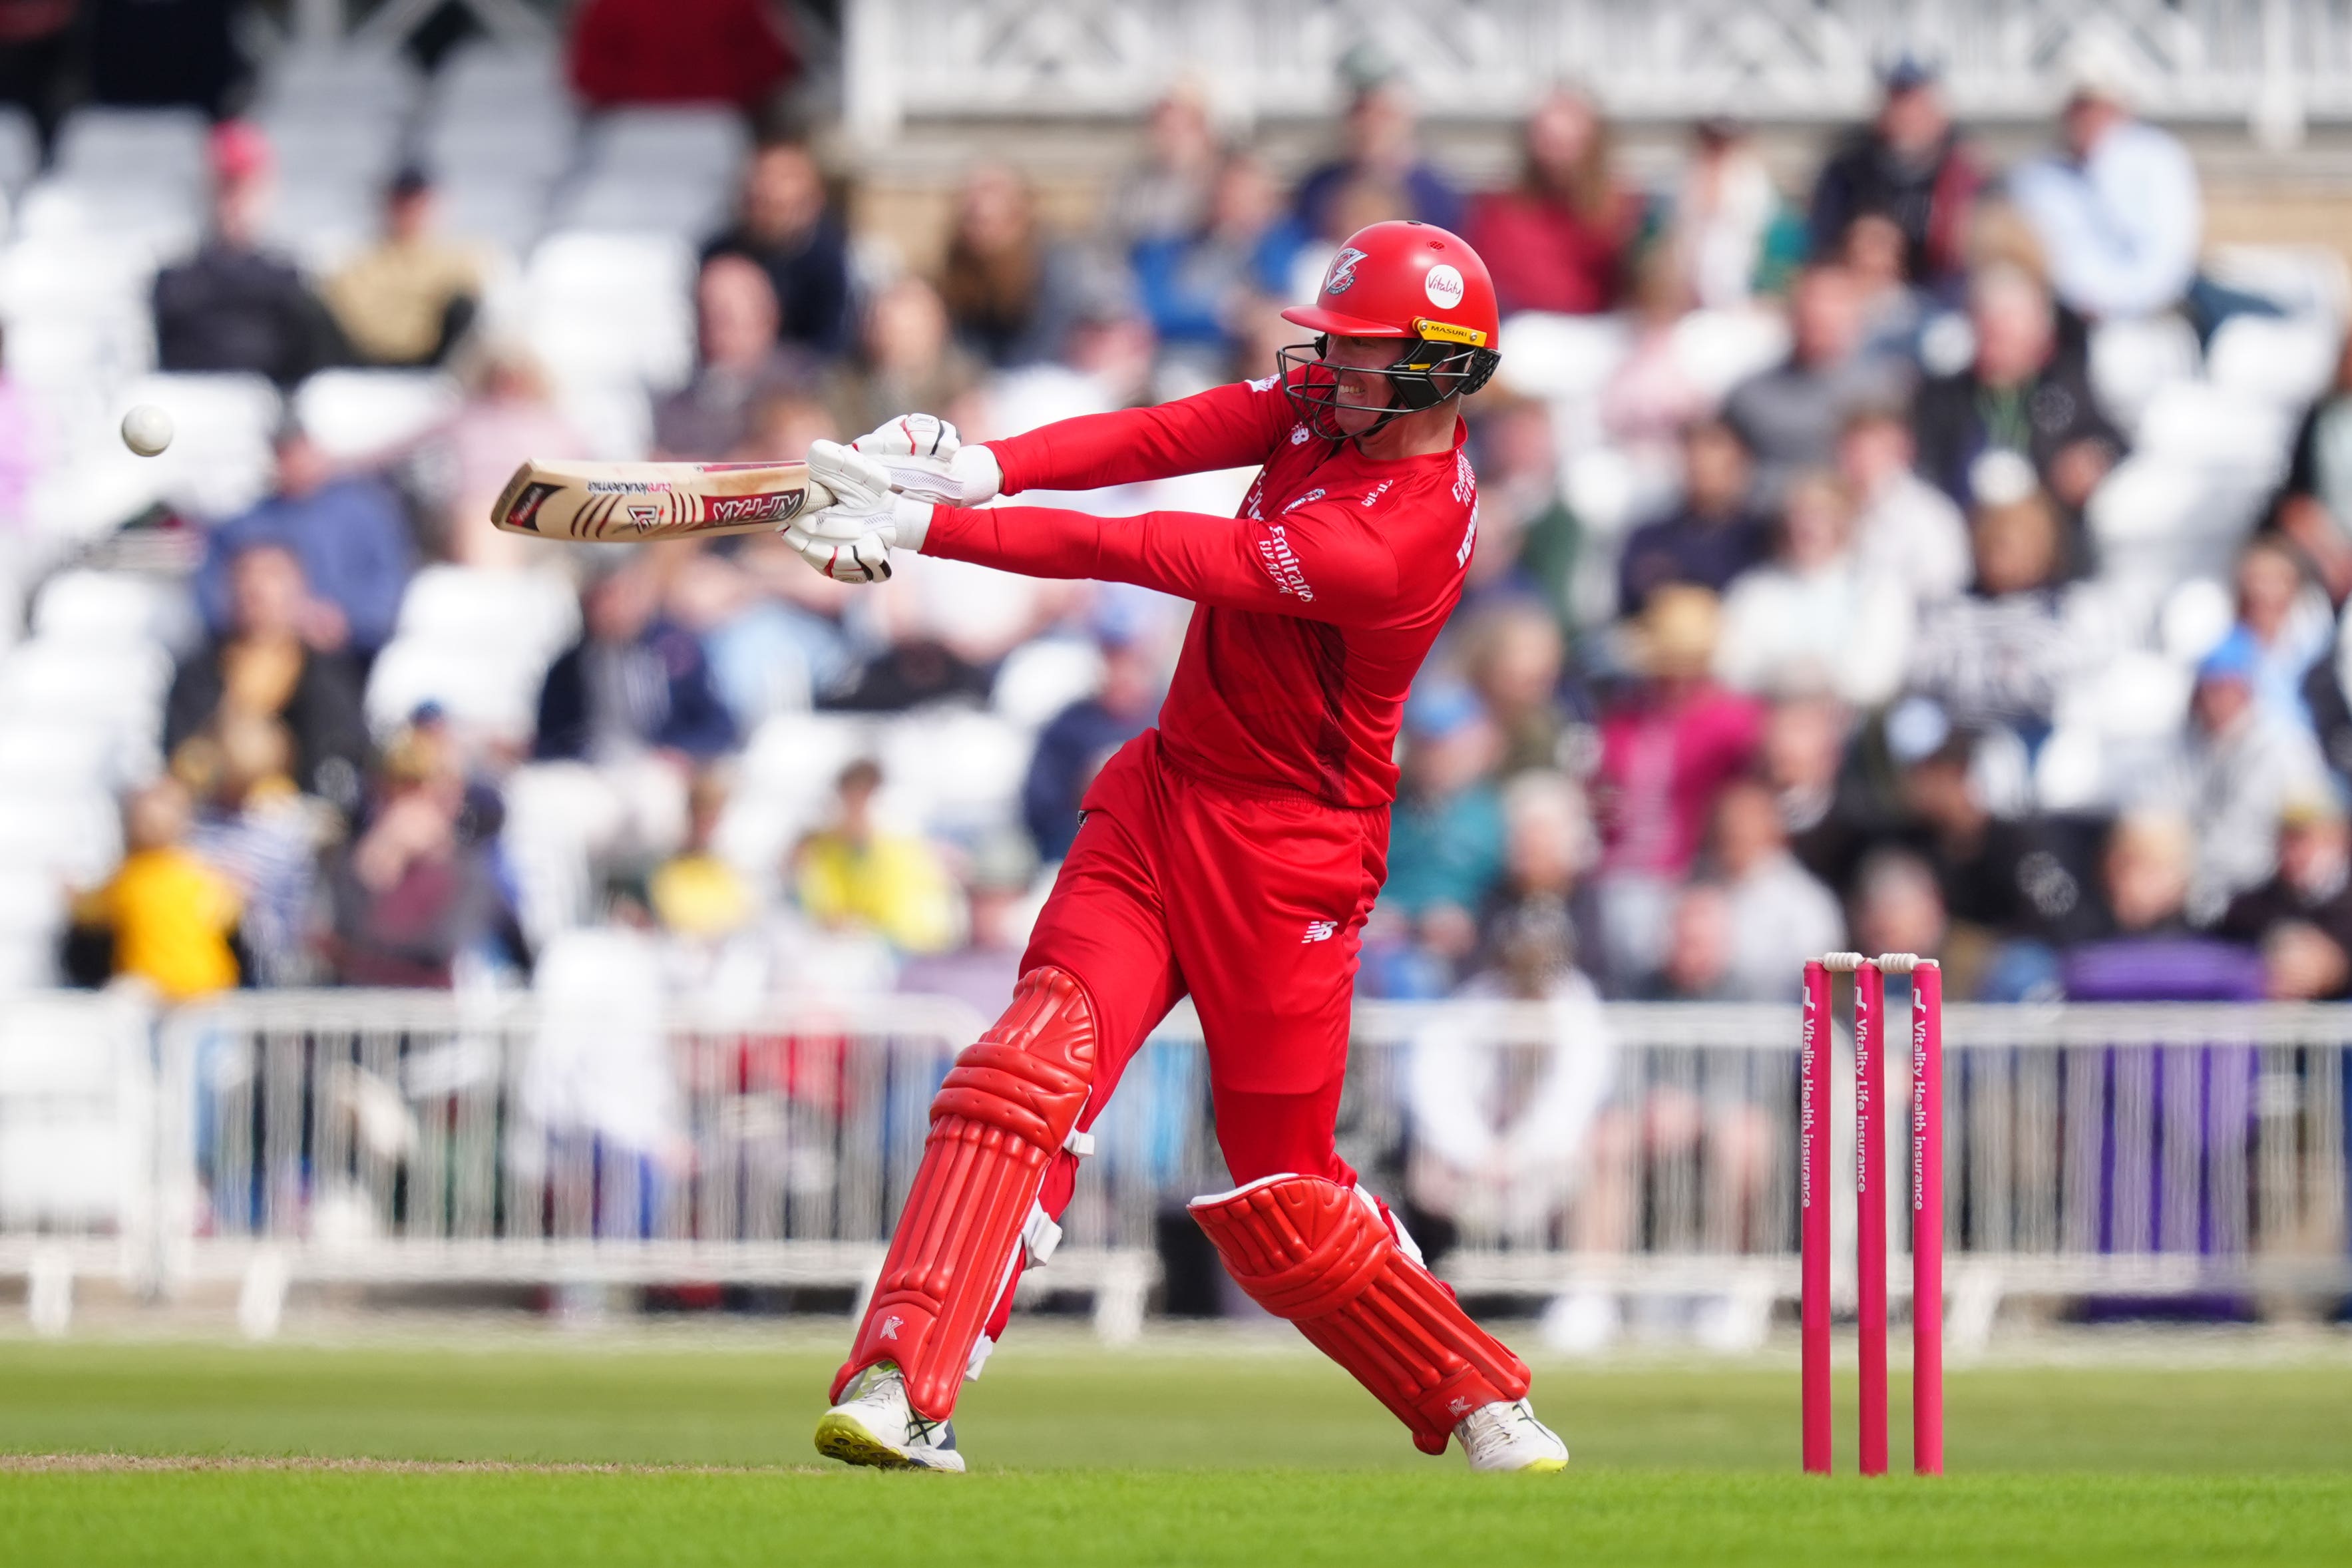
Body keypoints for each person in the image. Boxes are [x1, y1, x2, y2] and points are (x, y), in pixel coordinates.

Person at [783, 221, 1570, 1472]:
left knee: (1285, 1198)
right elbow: (1167, 434)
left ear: (1437, 372)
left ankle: (1476, 1393)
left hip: (1290, 865)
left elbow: (1144, 549)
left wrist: (928, 535)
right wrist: (981, 466)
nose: (1323, 374)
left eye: (1358, 357)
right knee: (1020, 1069)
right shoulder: (1337, 415)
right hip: (1159, 804)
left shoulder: (1401, 531)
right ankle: (900, 1384)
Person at [1591, 585, 1765, 990]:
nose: (1676, 676)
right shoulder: (1622, 720)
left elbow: (1749, 808)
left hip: (1703, 877)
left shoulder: (1736, 723)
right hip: (1621, 875)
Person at [163, 543, 371, 817]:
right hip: (211, 820)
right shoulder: (199, 673)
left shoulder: (327, 675)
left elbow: (340, 762)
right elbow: (182, 757)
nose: (256, 589)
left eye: (272, 577)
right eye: (245, 576)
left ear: (299, 590)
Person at [194, 418, 416, 663]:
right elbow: (211, 595)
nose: (293, 462)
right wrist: (275, 616)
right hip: (262, 652)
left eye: (300, 450)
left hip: (349, 654)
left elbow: (389, 586)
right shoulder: (248, 524)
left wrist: (343, 619)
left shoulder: (367, 512)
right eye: (283, 453)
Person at [1911, 264, 2123, 516]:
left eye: (2009, 323)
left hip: (2051, 525)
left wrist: (2092, 460)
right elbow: (1926, 464)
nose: (1997, 332)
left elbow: (2112, 441)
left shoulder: (2066, 385)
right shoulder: (1944, 396)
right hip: (1966, 523)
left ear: (2039, 331)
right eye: (1989, 321)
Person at [152, 120, 343, 387]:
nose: (235, 203)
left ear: (267, 192)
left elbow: (312, 366)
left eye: (246, 189)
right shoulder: (175, 281)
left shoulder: (291, 280)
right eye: (225, 188)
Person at [2008, 64, 2201, 325]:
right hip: (2067, 321)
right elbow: (2048, 260)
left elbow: (2167, 259)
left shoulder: (2158, 161)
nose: (2086, 119)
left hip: (2152, 316)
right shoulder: (2035, 178)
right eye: (2078, 108)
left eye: (2097, 108)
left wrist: (2121, 305)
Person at [1714, 469, 1911, 708]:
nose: (1807, 525)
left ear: (1845, 520)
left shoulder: (1876, 587)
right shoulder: (1755, 589)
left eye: (1820, 515)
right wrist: (1783, 676)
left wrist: (1821, 682)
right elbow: (1732, 668)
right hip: (1769, 717)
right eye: (1799, 515)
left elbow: (1878, 678)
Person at [1721, 264, 1910, 501]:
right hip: (1764, 521)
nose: (1820, 316)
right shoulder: (1749, 395)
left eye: (1834, 306)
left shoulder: (1883, 389)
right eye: (1811, 306)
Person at [1806, 57, 1982, 286]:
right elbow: (1823, 245)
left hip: (1944, 293)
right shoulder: (1847, 174)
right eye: (1898, 102)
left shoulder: (1964, 173)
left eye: (1916, 102)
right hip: (1865, 292)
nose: (1907, 115)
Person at [1465, 88, 1639, 317]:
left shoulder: (1624, 211)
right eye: (1550, 140)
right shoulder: (1502, 212)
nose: (1558, 154)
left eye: (1570, 141)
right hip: (1525, 328)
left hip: (1606, 328)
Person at [70, 779, 241, 1004]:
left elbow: (227, 911)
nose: (152, 825)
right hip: (148, 985)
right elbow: (93, 912)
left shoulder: (196, 872)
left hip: (201, 985)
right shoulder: (127, 876)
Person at [1020, 624, 1163, 863]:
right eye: (1114, 661)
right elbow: (1040, 808)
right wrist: (1085, 793)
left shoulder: (1171, 719)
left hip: (1158, 847)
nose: (1123, 673)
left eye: (1132, 663)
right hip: (1079, 847)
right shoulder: (1070, 725)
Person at [702, 139, 854, 359]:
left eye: (778, 206)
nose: (767, 215)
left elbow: (833, 341)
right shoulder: (721, 254)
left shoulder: (831, 260)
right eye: (758, 202)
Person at [653, 254, 817, 459]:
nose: (712, 332)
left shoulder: (800, 386)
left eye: (725, 318)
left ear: (765, 319)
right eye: (703, 315)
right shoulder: (676, 408)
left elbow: (799, 455)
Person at [936, 163, 1096, 369]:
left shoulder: (1056, 265)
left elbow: (1051, 341)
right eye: (973, 220)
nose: (980, 204)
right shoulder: (958, 271)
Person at [323, 167, 483, 369]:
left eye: (420, 202)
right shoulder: (356, 260)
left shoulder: (461, 259)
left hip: (438, 364)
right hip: (363, 361)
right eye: (404, 202)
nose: (412, 210)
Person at [793, 759, 956, 956]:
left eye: (865, 795)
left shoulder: (904, 850)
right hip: (842, 952)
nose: (858, 805)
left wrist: (871, 932)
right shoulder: (822, 848)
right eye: (851, 795)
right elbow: (822, 908)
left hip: (902, 956)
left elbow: (917, 923)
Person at [1708, 775, 1846, 1000]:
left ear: (1772, 831)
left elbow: (1820, 979)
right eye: (1727, 828)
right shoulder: (1699, 887)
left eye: (1744, 827)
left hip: (1782, 1024)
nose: (1734, 834)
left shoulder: (1806, 902)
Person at [1616, 417, 1771, 617]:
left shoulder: (1764, 539)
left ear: (1742, 462)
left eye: (1712, 449)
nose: (1699, 461)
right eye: (1691, 451)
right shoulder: (1648, 538)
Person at [1291, 61, 1464, 240]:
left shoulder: (1435, 195)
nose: (1369, 124)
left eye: (1382, 114)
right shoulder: (1318, 186)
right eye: (1359, 112)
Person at [2216, 793, 2352, 1000]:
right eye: (2288, 840)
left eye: (2310, 840)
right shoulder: (2249, 908)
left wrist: (2337, 968)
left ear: (2340, 842)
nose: (2298, 853)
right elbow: (2223, 955)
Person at [1839, 403, 1970, 608]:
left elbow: (1943, 587)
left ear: (1903, 451)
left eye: (1872, 451)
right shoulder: (1830, 510)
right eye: (1852, 451)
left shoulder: (1930, 514)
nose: (1859, 462)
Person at [566, 0, 795, 110]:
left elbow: (587, 75)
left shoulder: (613, 6)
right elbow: (771, 65)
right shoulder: (736, 4)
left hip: (634, 127)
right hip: (717, 121)